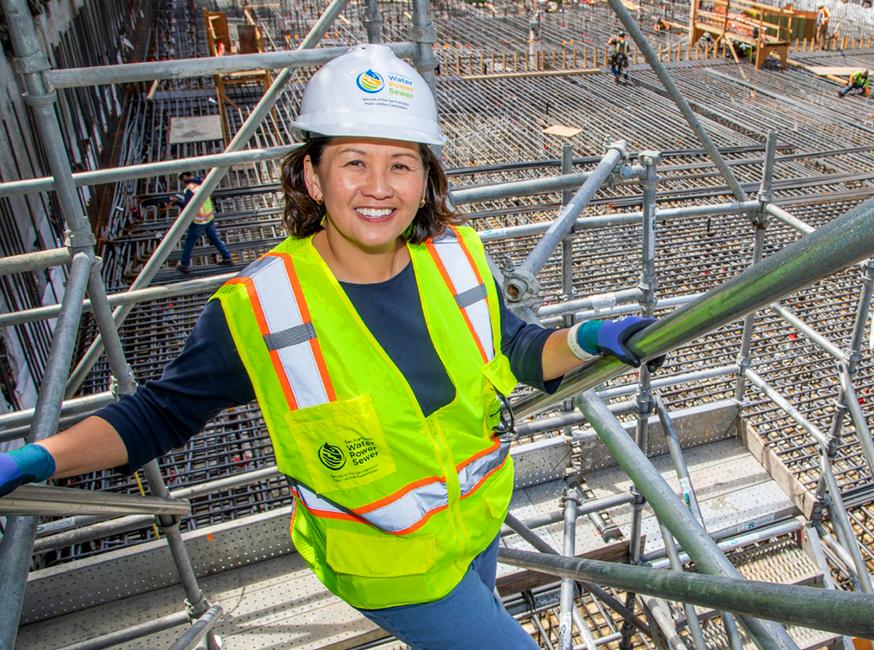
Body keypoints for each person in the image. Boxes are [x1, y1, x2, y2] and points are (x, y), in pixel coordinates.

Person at [0, 44, 661, 647]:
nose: (380, 186)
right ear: (313, 179)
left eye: (401, 164)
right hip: (387, 566)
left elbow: (521, 352)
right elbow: (158, 415)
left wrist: (592, 336)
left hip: (477, 522)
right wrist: (35, 458)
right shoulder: (263, 305)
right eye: (354, 163)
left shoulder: (457, 259)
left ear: (425, 179)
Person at [170, 171, 232, 272]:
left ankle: (184, 264)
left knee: (189, 242)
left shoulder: (189, 189)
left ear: (184, 178)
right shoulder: (200, 183)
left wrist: (177, 202)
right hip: (209, 217)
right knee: (214, 238)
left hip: (199, 221)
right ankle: (227, 256)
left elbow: (188, 206)